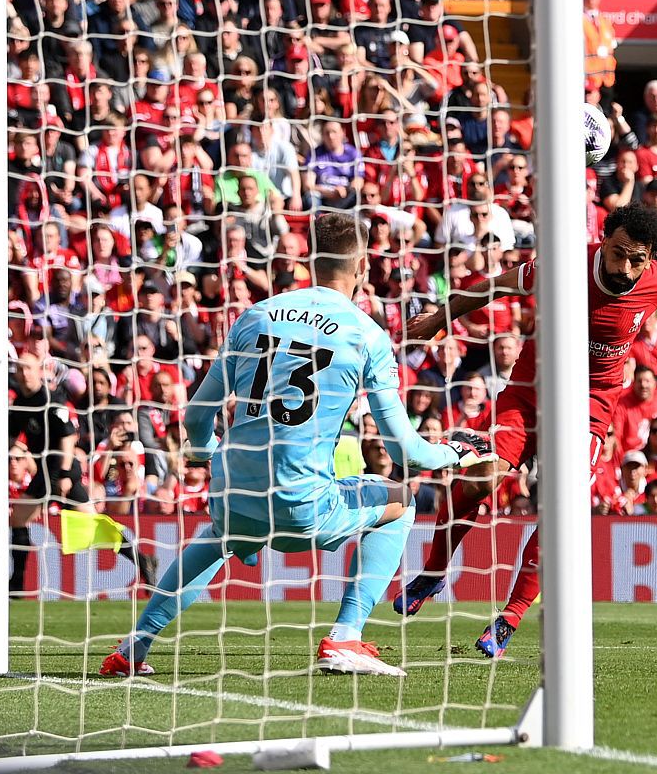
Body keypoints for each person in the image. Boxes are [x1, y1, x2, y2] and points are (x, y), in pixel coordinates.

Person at [99, 214, 495, 679]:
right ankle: (345, 636)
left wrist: (207, 455)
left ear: (310, 260)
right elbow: (409, 455)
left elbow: (196, 417)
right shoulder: (364, 333)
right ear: (363, 266)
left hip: (234, 494)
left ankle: (133, 649)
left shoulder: (256, 315)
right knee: (401, 501)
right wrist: (458, 449)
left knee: (216, 537)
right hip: (301, 505)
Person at [394, 204, 657, 656]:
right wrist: (439, 320)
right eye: (619, 254)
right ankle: (434, 571)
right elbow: (489, 289)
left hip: (591, 408)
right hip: (529, 393)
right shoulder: (564, 266)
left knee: (562, 513)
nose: (626, 268)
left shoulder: (651, 275)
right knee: (477, 476)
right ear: (604, 240)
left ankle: (511, 616)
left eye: (638, 259)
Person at [10, 354, 157, 597]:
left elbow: (68, 437)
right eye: (20, 368)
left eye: (29, 368)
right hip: (44, 473)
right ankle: (16, 586)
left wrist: (66, 473)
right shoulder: (19, 405)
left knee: (92, 524)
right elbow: (13, 439)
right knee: (18, 519)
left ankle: (142, 560)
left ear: (39, 371)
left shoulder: (50, 399)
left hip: (60, 471)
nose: (24, 373)